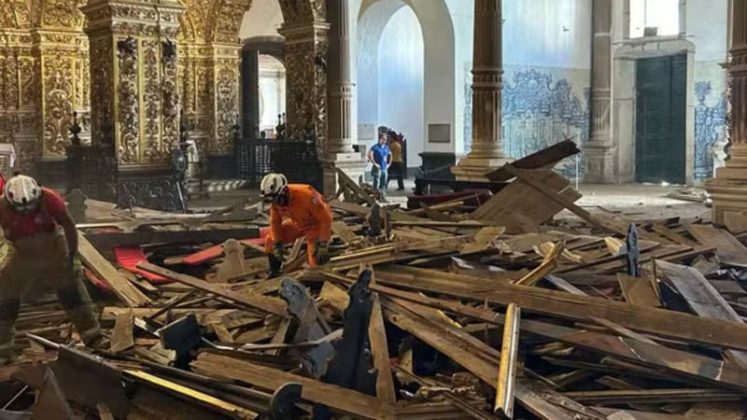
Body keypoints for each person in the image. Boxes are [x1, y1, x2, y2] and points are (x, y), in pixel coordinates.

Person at [0, 175, 103, 363]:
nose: (25, 213)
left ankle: (93, 336)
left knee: (71, 290)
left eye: (29, 209)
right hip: (22, 251)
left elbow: (69, 225)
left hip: (52, 246)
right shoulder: (2, 206)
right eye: (20, 210)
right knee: (5, 295)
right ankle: (3, 348)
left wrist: (72, 256)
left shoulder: (49, 198)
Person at [261, 173, 333, 277]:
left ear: (284, 191)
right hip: (297, 222)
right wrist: (277, 243)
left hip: (315, 225)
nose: (275, 203)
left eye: (276, 199)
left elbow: (325, 219)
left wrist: (323, 243)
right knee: (270, 241)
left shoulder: (306, 195)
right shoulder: (275, 202)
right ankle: (274, 271)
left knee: (315, 262)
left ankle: (317, 284)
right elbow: (275, 222)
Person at [367, 133, 392, 201]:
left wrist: (389, 164)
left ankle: (383, 197)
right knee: (376, 183)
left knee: (383, 183)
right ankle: (375, 197)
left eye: (385, 139)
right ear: (380, 139)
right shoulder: (375, 147)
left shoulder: (386, 147)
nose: (384, 141)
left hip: (384, 168)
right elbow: (370, 154)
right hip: (378, 168)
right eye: (383, 139)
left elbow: (390, 155)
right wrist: (374, 163)